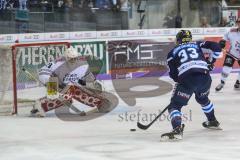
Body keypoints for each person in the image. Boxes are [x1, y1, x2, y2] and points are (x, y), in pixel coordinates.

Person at [161, 30, 223, 141]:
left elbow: (173, 74)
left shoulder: (172, 53)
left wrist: (182, 82)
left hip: (187, 79)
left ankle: (177, 129)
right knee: (202, 98)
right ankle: (212, 121)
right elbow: (217, 48)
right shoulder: (197, 45)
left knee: (174, 106)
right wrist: (211, 62)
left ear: (178, 39)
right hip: (205, 78)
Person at [31, 46, 106, 117]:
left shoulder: (82, 65)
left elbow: (87, 78)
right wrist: (51, 85)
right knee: (58, 96)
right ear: (66, 58)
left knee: (73, 92)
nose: (73, 60)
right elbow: (43, 71)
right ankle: (40, 104)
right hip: (54, 80)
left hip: (67, 84)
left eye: (75, 58)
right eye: (71, 59)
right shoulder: (58, 63)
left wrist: (94, 83)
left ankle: (98, 102)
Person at [215, 17, 240, 91]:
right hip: (232, 54)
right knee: (226, 68)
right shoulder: (232, 31)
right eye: (238, 22)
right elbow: (225, 36)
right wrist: (223, 41)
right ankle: (222, 83)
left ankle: (238, 82)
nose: (239, 24)